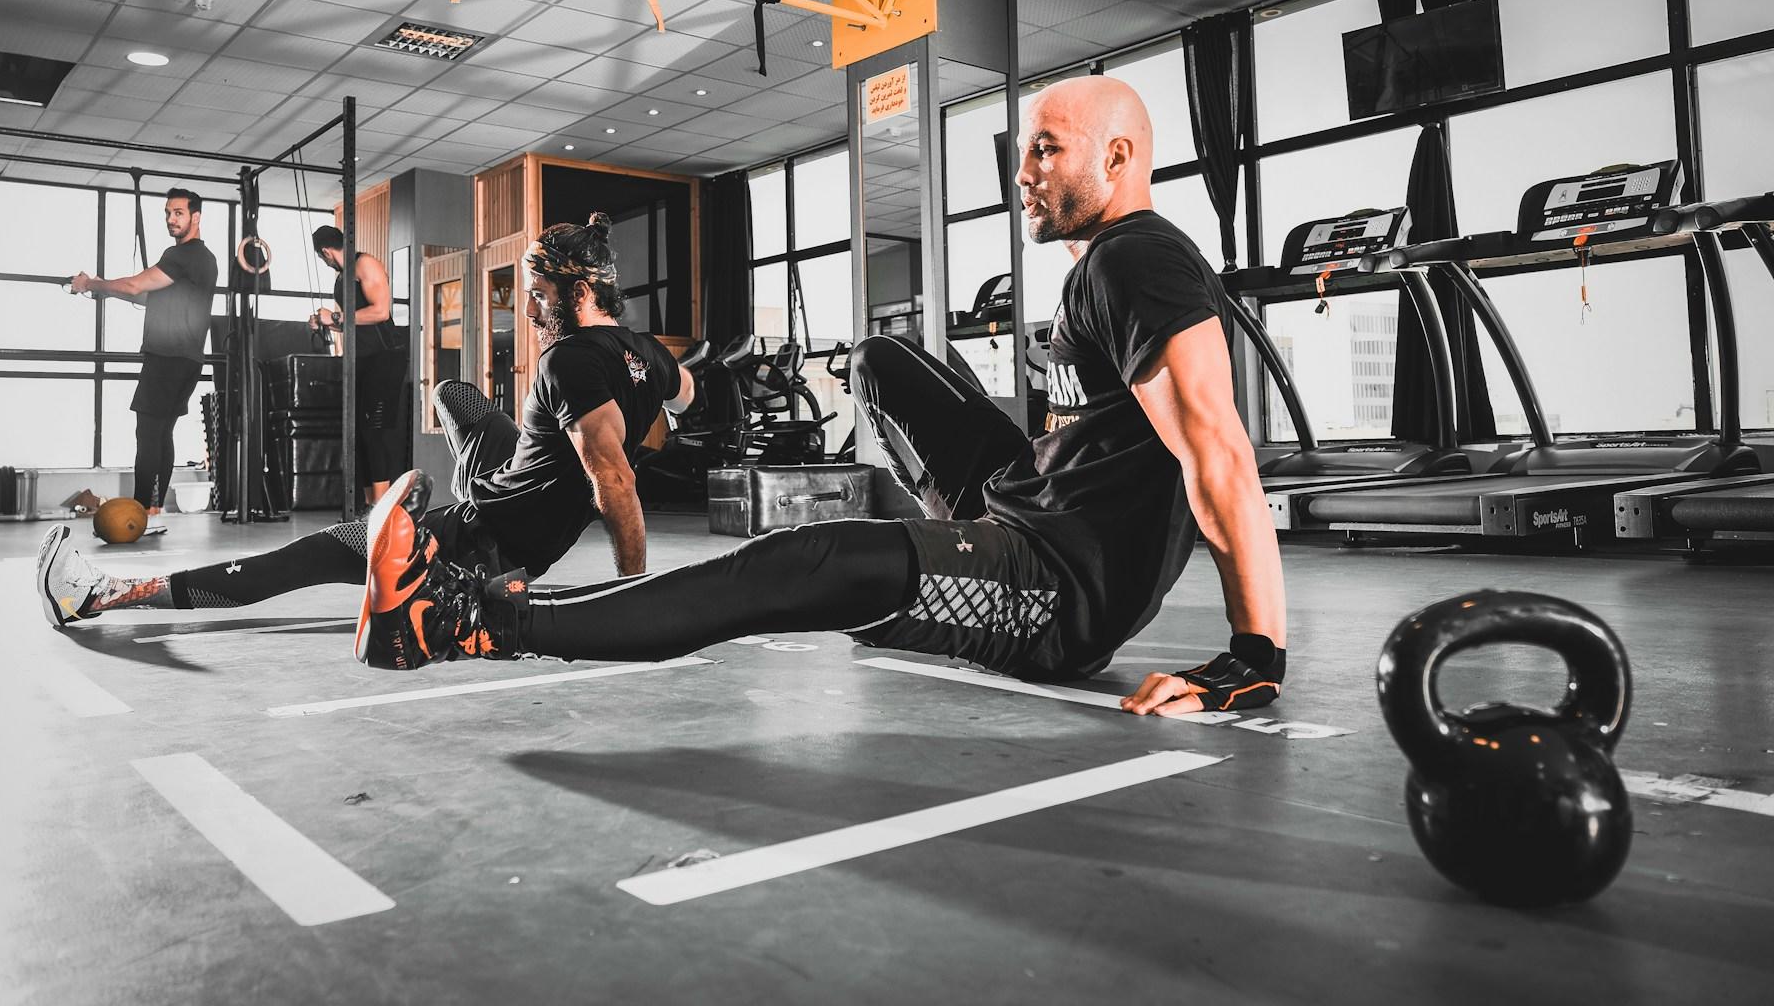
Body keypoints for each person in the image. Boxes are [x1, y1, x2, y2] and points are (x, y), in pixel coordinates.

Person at [356, 76, 1288, 717]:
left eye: (1047, 150)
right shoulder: (1104, 268)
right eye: (1024, 151)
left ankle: (468, 620)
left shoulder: (1145, 260)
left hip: (1055, 594)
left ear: (1118, 157)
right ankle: (945, 545)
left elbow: (1218, 452)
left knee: (799, 563)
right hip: (1032, 515)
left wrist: (1254, 658)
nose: (1023, 171)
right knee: (882, 360)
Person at [37, 213, 694, 624]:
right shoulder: (648, 357)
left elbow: (615, 485)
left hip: (478, 546)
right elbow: (686, 393)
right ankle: (487, 483)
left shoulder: (568, 364)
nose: (527, 311)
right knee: (459, 396)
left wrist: (630, 596)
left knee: (305, 556)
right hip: (520, 512)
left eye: (538, 298)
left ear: (579, 295)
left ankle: (102, 597)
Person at [68, 187, 217, 516]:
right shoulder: (205, 260)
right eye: (167, 213)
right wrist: (106, 292)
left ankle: (139, 511)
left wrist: (91, 284)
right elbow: (146, 296)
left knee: (149, 432)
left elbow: (137, 285)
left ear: (196, 217)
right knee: (161, 432)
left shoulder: (183, 255)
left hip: (168, 356)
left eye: (178, 212)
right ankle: (152, 508)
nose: (170, 219)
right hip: (187, 359)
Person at [308, 224, 410, 505]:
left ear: (326, 252)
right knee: (357, 433)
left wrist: (337, 318)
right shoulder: (342, 277)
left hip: (386, 358)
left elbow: (380, 311)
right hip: (362, 359)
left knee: (372, 430)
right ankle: (369, 505)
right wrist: (326, 323)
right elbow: (355, 323)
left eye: (322, 257)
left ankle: (383, 505)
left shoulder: (365, 264)